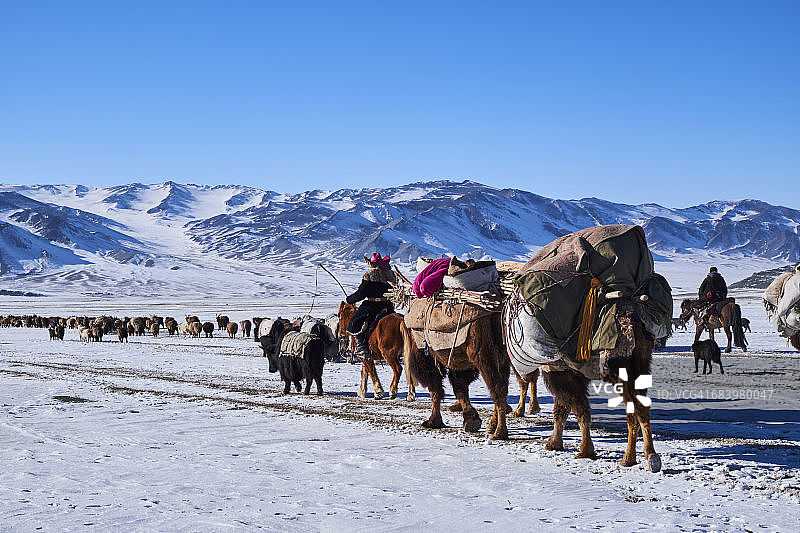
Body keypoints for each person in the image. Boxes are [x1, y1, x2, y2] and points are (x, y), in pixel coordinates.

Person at [345, 253, 397, 359]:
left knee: (354, 322)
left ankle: (361, 348)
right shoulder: (391, 274)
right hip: (387, 305)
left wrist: (350, 299)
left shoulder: (369, 274)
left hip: (372, 306)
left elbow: (361, 293)